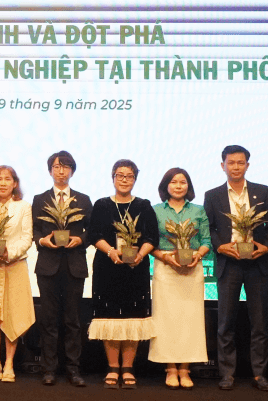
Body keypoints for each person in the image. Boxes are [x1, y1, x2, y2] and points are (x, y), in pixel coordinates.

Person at [203, 145, 268, 392]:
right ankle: (227, 374)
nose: (236, 167)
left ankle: (259, 374)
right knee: (225, 323)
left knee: (260, 323)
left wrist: (266, 247)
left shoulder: (262, 191)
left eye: (240, 162)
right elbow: (209, 228)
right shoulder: (212, 195)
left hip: (257, 263)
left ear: (247, 165)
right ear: (222, 165)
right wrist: (220, 246)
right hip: (229, 264)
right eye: (231, 162)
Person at [88, 159, 158, 389]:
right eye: (120, 175)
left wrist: (140, 255)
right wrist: (110, 251)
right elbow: (94, 234)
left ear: (135, 179)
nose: (124, 180)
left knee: (132, 318)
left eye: (129, 176)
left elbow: (152, 237)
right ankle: (112, 367)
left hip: (135, 269)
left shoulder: (144, 206)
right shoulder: (101, 205)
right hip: (107, 268)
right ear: (113, 178)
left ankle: (127, 368)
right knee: (109, 318)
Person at [31, 151, 91, 387]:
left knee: (73, 320)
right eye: (56, 167)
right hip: (48, 266)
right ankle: (48, 369)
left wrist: (81, 239)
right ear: (50, 171)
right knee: (48, 320)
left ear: (72, 171)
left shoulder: (83, 199)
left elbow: (91, 230)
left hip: (74, 266)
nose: (61, 171)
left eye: (65, 167)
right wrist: (42, 240)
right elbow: (34, 229)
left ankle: (73, 369)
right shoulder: (40, 199)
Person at [148, 167, 211, 390]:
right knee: (166, 318)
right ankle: (170, 368)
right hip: (165, 267)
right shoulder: (155, 210)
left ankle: (185, 368)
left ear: (188, 186)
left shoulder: (198, 210)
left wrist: (198, 255)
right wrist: (165, 257)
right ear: (166, 186)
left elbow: (206, 241)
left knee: (190, 319)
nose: (178, 186)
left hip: (192, 267)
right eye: (173, 182)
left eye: (182, 182)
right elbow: (150, 243)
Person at [0, 165, 35, 383]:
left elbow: (27, 237)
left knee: (13, 314)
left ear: (15, 183)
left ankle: (9, 363)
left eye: (7, 179)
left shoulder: (23, 207)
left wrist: (9, 253)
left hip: (14, 265)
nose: (3, 183)